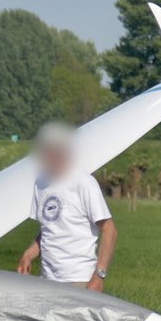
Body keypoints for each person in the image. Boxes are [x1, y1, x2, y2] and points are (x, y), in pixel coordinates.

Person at [16, 122, 117, 291]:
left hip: (80, 280)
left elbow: (110, 230)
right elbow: (49, 229)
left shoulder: (84, 183)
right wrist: (28, 254)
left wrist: (99, 276)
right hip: (47, 280)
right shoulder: (40, 183)